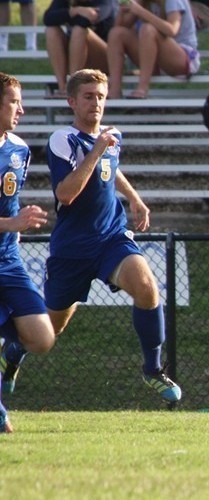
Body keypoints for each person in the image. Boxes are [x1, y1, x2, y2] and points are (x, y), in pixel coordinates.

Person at [44, 69, 181, 404]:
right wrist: (98, 149)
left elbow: (111, 169)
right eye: (88, 96)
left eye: (101, 97)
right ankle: (16, 350)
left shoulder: (109, 138)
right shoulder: (63, 139)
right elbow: (66, 194)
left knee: (147, 287)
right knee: (50, 330)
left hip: (110, 237)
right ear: (72, 101)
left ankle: (152, 369)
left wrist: (134, 198)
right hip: (73, 247)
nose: (96, 103)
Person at [0, 73, 56, 433]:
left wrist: (17, 226)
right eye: (13, 101)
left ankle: (10, 355)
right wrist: (12, 223)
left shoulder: (19, 150)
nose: (21, 109)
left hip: (8, 261)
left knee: (42, 337)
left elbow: (11, 202)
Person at [106, 0, 200, 99]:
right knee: (116, 33)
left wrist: (141, 11)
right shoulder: (143, 2)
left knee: (148, 29)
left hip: (182, 59)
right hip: (155, 61)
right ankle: (114, 90)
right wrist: (122, 12)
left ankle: (142, 88)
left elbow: (172, 30)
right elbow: (119, 29)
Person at [43, 0, 115, 98]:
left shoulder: (104, 2)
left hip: (105, 58)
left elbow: (86, 20)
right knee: (51, 30)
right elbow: (48, 19)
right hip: (76, 54)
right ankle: (63, 87)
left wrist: (65, 14)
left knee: (79, 30)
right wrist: (75, 11)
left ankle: (73, 85)